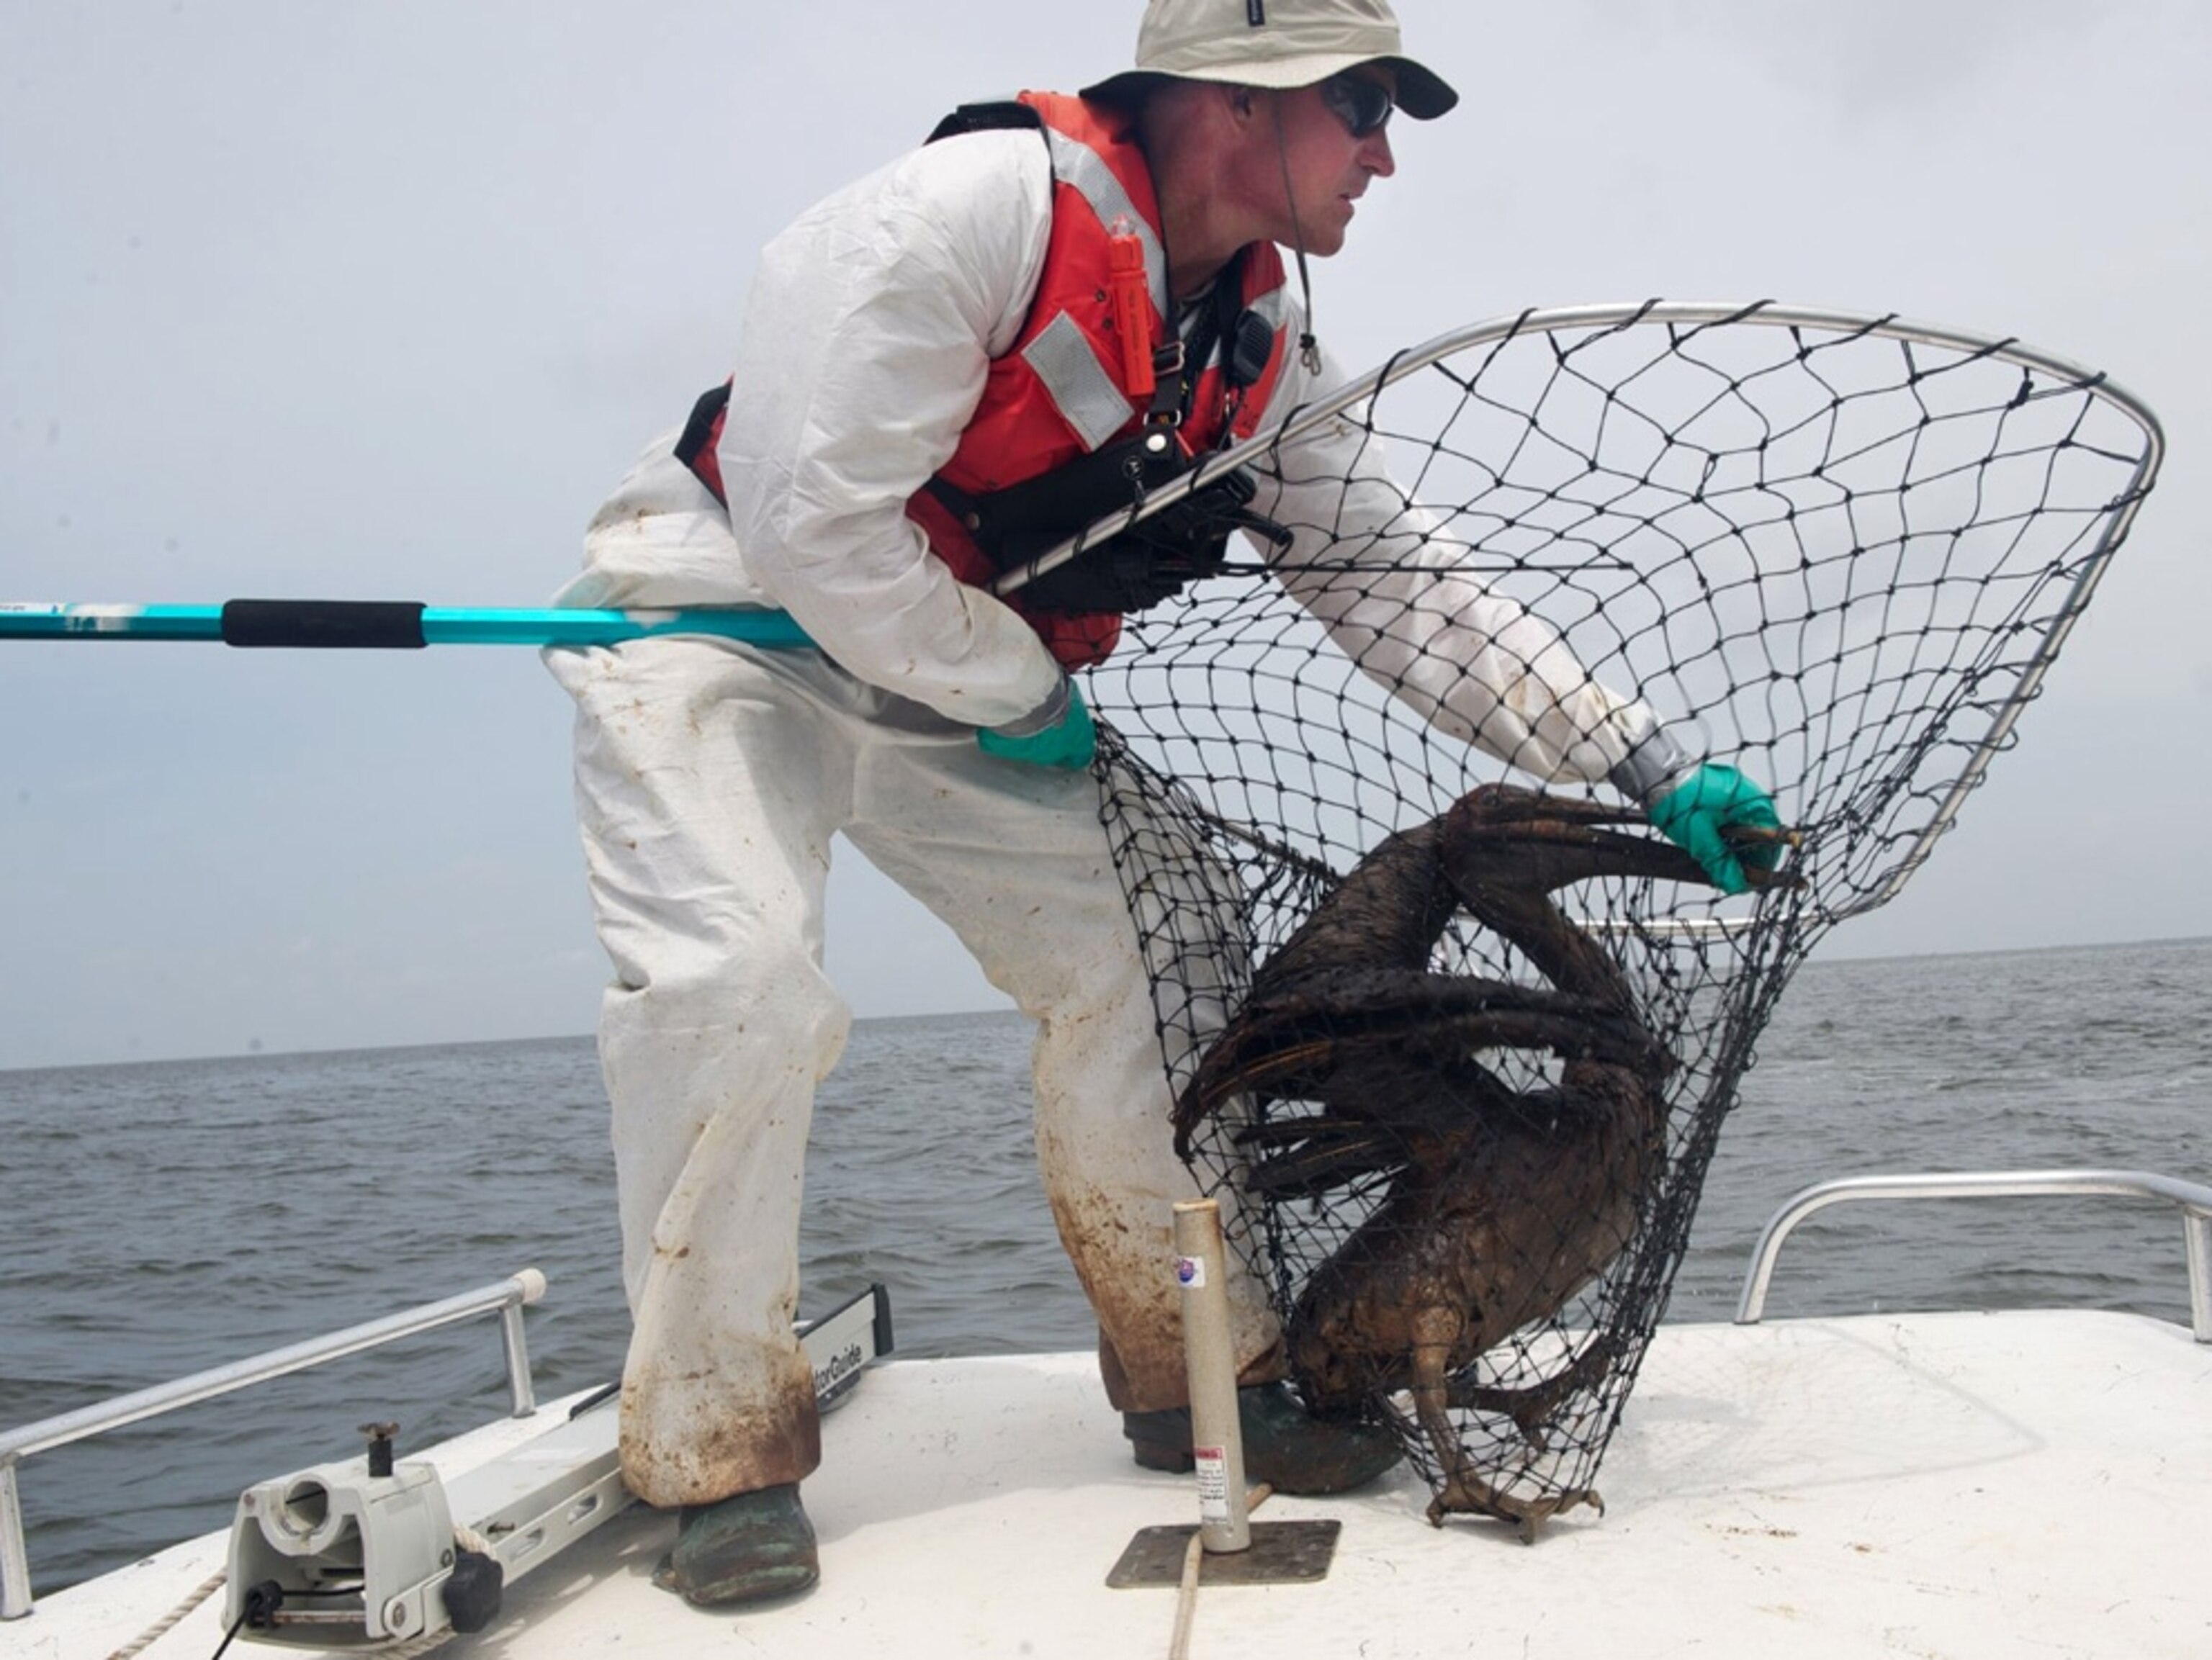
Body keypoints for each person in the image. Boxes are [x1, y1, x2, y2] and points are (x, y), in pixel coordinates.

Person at [546, 0, 1779, 1610]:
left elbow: (1397, 591)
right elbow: (805, 518)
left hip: (958, 673)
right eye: (1361, 107)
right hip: (718, 625)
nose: (1385, 156)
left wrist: (1638, 756)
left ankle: (1195, 1363)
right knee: (738, 984)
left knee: (1168, 937)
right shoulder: (966, 217)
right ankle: (716, 1450)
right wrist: (1013, 692)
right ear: (1234, 103)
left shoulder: (1265, 358)